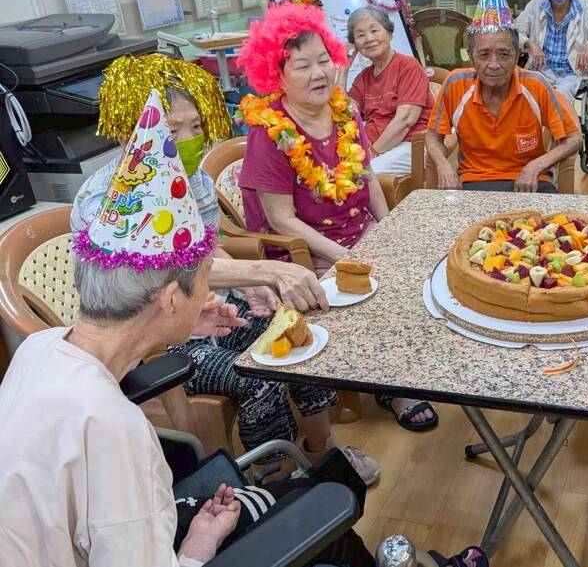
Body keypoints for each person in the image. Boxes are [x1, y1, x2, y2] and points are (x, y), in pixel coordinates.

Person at [0, 92, 374, 566]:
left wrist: (198, 538)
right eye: (204, 280)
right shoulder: (114, 430)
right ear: (171, 297)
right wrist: (200, 549)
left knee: (308, 490)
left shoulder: (39, 348)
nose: (210, 290)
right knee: (328, 510)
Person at [70, 55, 378, 484]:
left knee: (300, 336)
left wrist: (250, 290)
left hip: (212, 312)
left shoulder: (192, 178)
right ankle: (274, 478)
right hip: (160, 339)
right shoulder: (110, 199)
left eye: (196, 126)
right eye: (172, 130)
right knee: (259, 377)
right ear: (129, 134)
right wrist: (264, 273)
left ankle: (321, 449)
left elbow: (208, 246)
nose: (189, 140)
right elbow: (167, 268)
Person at [238, 2, 438, 432]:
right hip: (302, 250)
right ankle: (392, 384)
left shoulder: (345, 111)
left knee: (418, 266)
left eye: (324, 60)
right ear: (276, 74)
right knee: (375, 284)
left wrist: (388, 230)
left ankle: (400, 367)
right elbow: (282, 220)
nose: (318, 74)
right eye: (302, 66)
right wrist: (347, 255)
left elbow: (366, 176)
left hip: (357, 230)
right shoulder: (269, 133)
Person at [426, 0, 582, 192]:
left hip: (530, 182)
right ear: (471, 57)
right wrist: (443, 166)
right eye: (484, 55)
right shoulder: (455, 84)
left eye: (504, 54)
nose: (494, 64)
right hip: (473, 182)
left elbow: (574, 138)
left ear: (517, 55)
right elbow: (432, 136)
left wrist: (536, 166)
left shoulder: (536, 85)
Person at [346, 6, 434, 175]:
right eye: (360, 35)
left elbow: (405, 120)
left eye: (374, 30)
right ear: (355, 44)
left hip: (411, 144)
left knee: (360, 176)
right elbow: (344, 115)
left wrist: (372, 153)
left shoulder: (408, 66)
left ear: (389, 33)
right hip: (378, 147)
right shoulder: (363, 78)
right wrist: (343, 68)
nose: (369, 38)